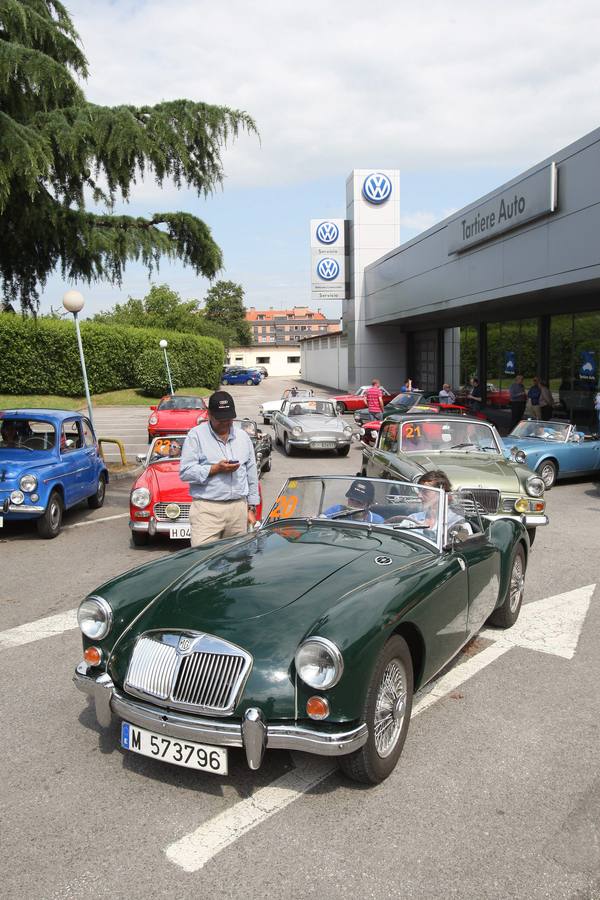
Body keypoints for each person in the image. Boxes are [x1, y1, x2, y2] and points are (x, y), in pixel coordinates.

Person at [180, 390, 260, 547]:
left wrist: (251, 506)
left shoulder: (243, 437)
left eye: (229, 419)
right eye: (221, 420)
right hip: (207, 510)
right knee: (203, 561)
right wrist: (214, 469)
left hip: (238, 508)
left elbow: (251, 473)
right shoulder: (195, 436)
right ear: (209, 414)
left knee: (238, 561)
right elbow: (185, 472)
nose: (226, 424)